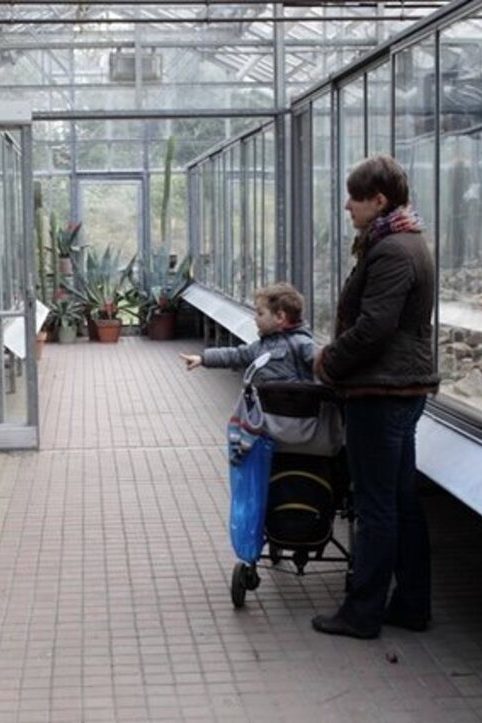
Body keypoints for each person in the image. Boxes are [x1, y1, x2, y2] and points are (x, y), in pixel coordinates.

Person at [310, 154, 439, 640]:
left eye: (354, 197)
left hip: (380, 390)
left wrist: (328, 362)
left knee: (376, 505)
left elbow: (374, 328)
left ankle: (362, 612)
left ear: (379, 200)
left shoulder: (390, 251)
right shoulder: (406, 241)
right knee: (400, 499)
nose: (347, 206)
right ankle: (410, 603)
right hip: (399, 387)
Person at [180, 282, 315, 383]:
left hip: (299, 416)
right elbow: (235, 355)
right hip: (269, 414)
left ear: (280, 317)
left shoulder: (302, 344)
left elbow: (324, 366)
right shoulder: (260, 347)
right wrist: (203, 358)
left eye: (260, 314)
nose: (255, 318)